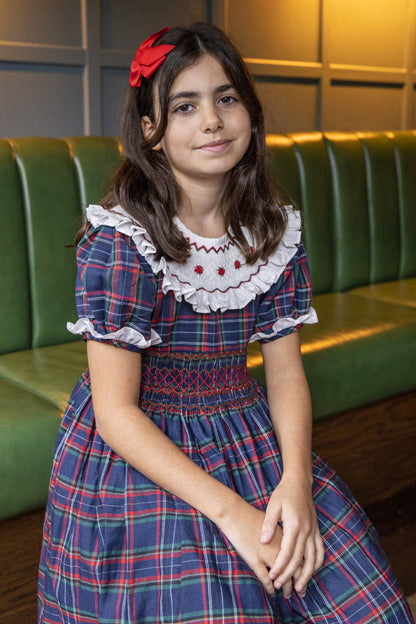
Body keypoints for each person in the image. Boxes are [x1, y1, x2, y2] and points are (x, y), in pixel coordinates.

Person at [38, 23, 414, 624]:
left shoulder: (271, 231)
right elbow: (116, 414)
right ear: (150, 131)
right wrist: (232, 513)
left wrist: (295, 484)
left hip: (244, 428)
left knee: (363, 601)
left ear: (251, 112)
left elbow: (285, 375)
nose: (212, 120)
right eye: (185, 106)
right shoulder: (123, 240)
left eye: (227, 98)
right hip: (145, 451)